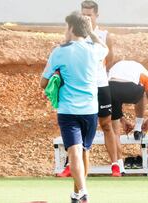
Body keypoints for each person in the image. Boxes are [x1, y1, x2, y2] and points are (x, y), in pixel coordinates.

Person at [40, 12, 108, 202]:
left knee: (75, 151)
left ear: (70, 28)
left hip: (68, 110)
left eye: (66, 27)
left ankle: (83, 191)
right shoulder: (95, 50)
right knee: (84, 151)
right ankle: (79, 193)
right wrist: (91, 32)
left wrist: (56, 76)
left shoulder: (60, 51)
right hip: (90, 110)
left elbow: (43, 83)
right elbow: (105, 48)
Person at [57, 0, 121, 178]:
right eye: (83, 14)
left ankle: (114, 164)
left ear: (96, 15)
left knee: (106, 124)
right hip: (80, 89)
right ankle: (71, 165)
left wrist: (98, 75)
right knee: (74, 125)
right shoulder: (74, 34)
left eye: (89, 15)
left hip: (100, 85)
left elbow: (110, 59)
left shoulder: (104, 35)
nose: (86, 17)